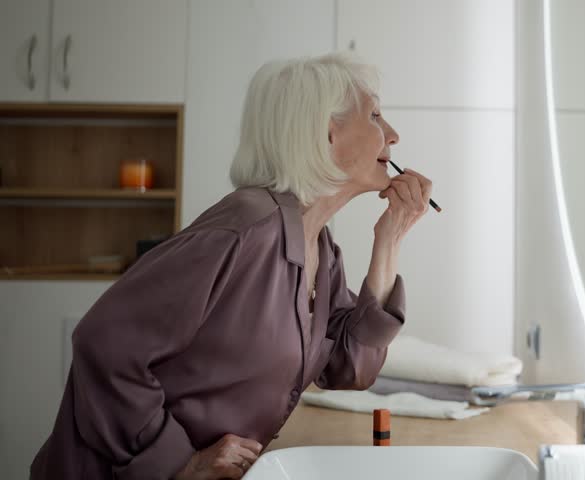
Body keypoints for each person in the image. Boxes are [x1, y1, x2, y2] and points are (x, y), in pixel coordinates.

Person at [31, 52, 433, 479]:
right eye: (375, 115)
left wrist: (389, 240)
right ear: (326, 132)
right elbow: (103, 342)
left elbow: (352, 366)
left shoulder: (319, 246)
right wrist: (177, 462)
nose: (393, 135)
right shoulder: (245, 227)